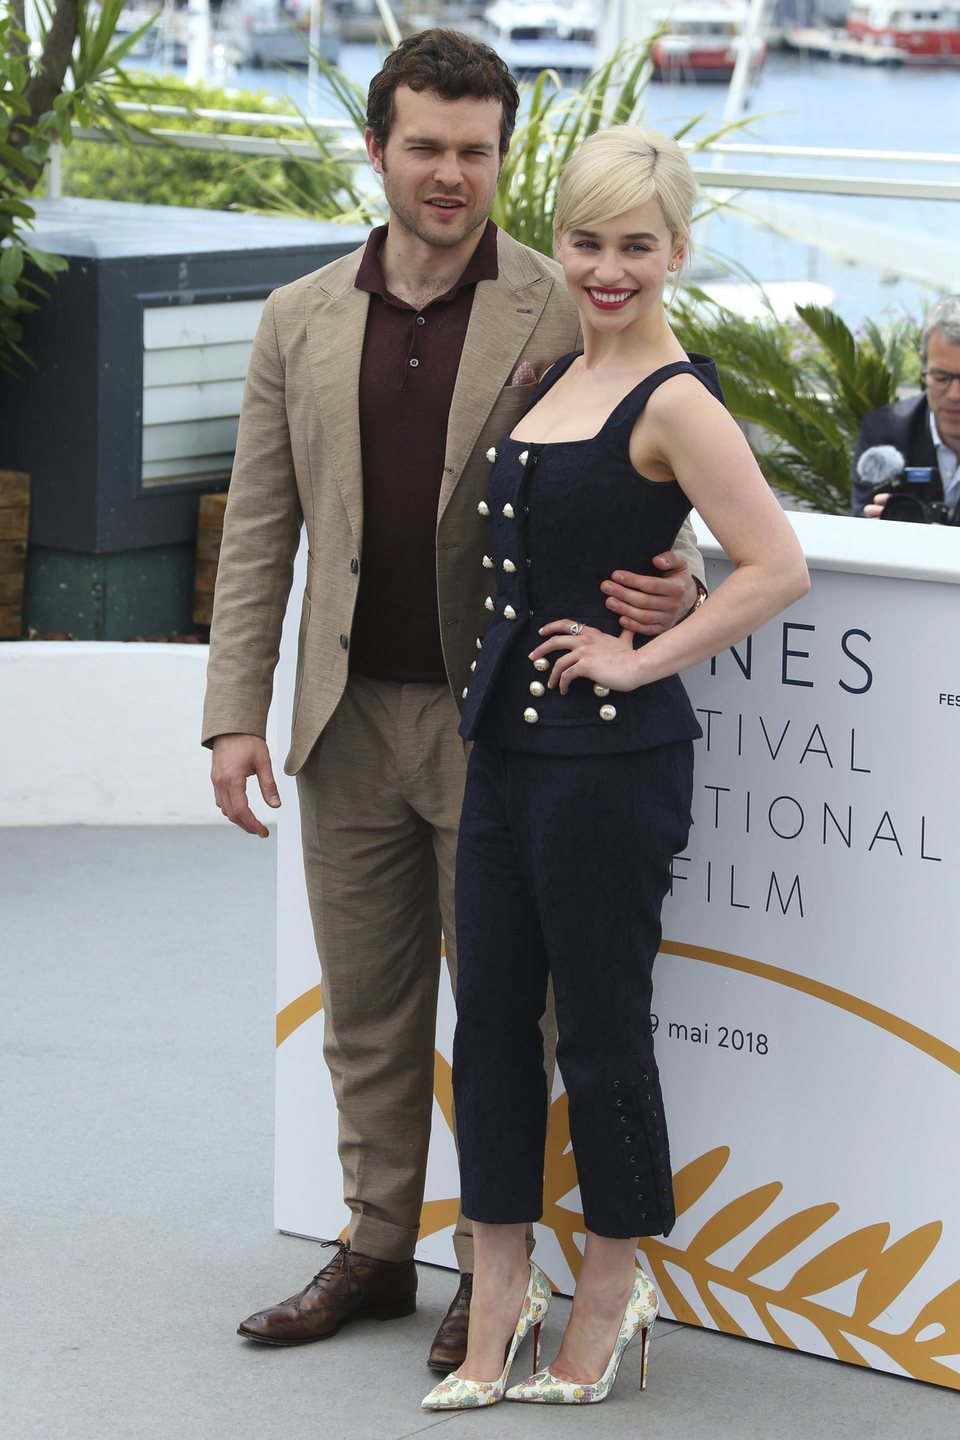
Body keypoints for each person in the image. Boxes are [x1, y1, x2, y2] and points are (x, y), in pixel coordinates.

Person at [201, 31, 708, 1368]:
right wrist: (232, 710)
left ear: (502, 159)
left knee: (513, 1018)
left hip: (508, 722)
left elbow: (660, 446)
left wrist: (680, 580)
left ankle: (505, 1283)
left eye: (475, 152)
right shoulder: (296, 317)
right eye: (423, 145)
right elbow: (260, 528)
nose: (448, 174)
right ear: (377, 148)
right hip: (344, 717)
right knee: (367, 1011)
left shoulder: (559, 301)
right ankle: (372, 1252)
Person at [421, 124, 809, 1412]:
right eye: (587, 241)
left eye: (635, 246)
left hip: (610, 765)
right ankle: (494, 1288)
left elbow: (776, 566)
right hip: (508, 752)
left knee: (599, 1032)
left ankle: (610, 1286)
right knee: (488, 1033)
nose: (607, 267)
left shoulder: (680, 401)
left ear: (677, 253)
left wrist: (647, 657)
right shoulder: (546, 377)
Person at [851, 295, 960, 521]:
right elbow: (861, 527)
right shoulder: (884, 432)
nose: (954, 395)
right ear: (923, 364)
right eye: (940, 377)